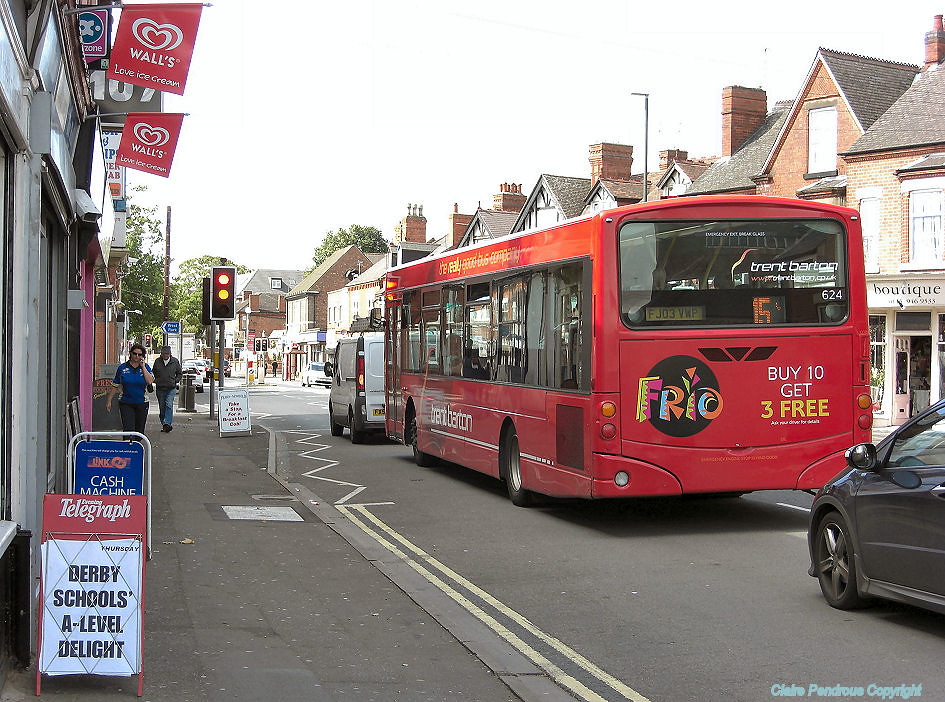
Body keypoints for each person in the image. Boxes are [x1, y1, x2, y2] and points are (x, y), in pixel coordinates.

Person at [106, 343, 155, 436]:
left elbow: (149, 381)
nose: (136, 356)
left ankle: (137, 448)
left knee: (139, 432)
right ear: (130, 353)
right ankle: (128, 448)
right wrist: (109, 400)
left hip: (141, 402)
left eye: (139, 354)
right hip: (126, 402)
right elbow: (115, 385)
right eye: (134, 353)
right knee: (128, 430)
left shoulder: (146, 367)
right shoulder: (122, 368)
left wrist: (143, 366)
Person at [152, 345, 182, 432]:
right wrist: (156, 380)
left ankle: (167, 423)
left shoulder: (175, 361)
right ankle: (164, 423)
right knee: (162, 407)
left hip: (171, 388)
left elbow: (179, 374)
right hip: (160, 388)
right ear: (161, 354)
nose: (165, 356)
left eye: (167, 354)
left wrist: (175, 381)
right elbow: (153, 372)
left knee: (169, 404)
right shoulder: (157, 361)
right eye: (164, 354)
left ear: (170, 354)